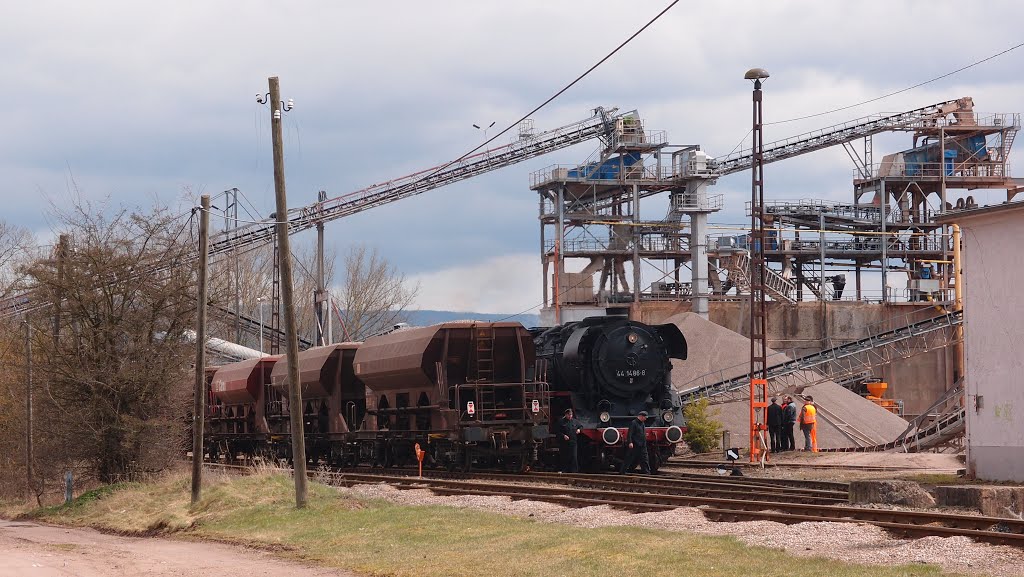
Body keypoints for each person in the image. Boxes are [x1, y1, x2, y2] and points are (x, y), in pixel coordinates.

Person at [560, 408, 581, 473]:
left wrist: (579, 429)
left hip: (573, 441)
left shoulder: (575, 421)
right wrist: (563, 435)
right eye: (569, 415)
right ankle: (565, 470)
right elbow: (557, 431)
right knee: (565, 456)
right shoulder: (561, 422)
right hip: (564, 442)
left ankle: (574, 471)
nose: (570, 416)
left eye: (571, 414)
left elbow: (580, 426)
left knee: (574, 456)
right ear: (566, 415)